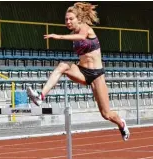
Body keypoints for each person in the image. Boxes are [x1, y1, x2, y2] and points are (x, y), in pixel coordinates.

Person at [27, 2, 130, 141]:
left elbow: (82, 37)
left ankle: (121, 124)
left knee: (106, 114)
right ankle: (41, 97)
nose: (68, 22)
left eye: (71, 19)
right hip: (82, 71)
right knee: (62, 66)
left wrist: (59, 37)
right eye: (66, 19)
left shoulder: (86, 29)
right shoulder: (72, 34)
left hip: (97, 75)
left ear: (78, 19)